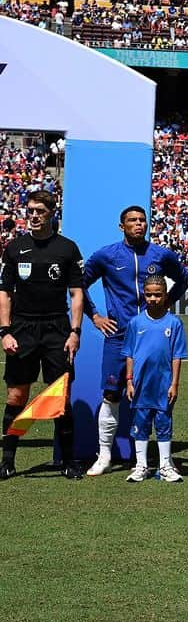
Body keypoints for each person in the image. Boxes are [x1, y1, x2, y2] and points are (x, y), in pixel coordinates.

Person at [83, 205, 188, 477]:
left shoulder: (161, 254)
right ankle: (104, 455)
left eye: (142, 220)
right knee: (111, 393)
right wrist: (94, 315)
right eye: (132, 220)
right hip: (119, 336)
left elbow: (183, 278)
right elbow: (78, 284)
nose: (139, 224)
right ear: (122, 226)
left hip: (153, 336)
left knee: (157, 395)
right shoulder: (106, 255)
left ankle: (153, 460)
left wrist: (166, 305)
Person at [0, 190, 85, 480]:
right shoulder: (14, 248)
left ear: (51, 212)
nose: (34, 215)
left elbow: (76, 294)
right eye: (30, 210)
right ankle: (7, 459)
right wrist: (4, 332)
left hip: (57, 329)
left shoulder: (67, 249)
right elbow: (5, 294)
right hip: (22, 329)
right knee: (16, 395)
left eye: (40, 211)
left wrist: (75, 332)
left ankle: (69, 461)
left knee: (61, 396)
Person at [121, 274, 187, 483]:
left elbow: (177, 356)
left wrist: (174, 384)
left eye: (157, 295)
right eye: (148, 294)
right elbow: (129, 354)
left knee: (163, 422)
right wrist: (129, 381)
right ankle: (141, 465)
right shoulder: (136, 322)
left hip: (163, 384)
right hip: (141, 384)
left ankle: (165, 465)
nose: (152, 299)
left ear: (165, 296)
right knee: (140, 423)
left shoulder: (174, 323)